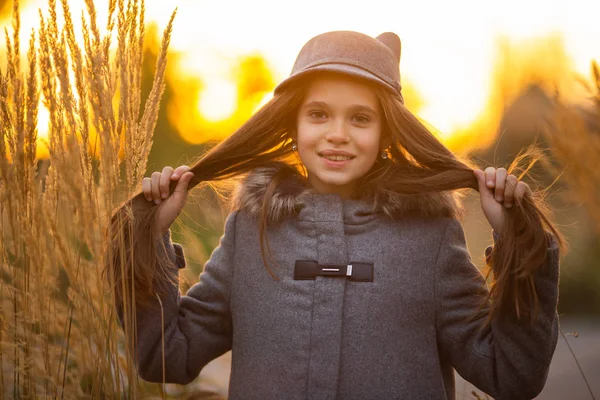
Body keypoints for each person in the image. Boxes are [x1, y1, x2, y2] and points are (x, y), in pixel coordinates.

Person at [108, 31, 563, 399]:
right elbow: (167, 358)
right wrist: (148, 235)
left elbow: (511, 377)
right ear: (293, 125)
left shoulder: (430, 239)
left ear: (387, 132)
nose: (338, 135)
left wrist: (519, 245)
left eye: (361, 118)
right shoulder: (251, 231)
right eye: (319, 114)